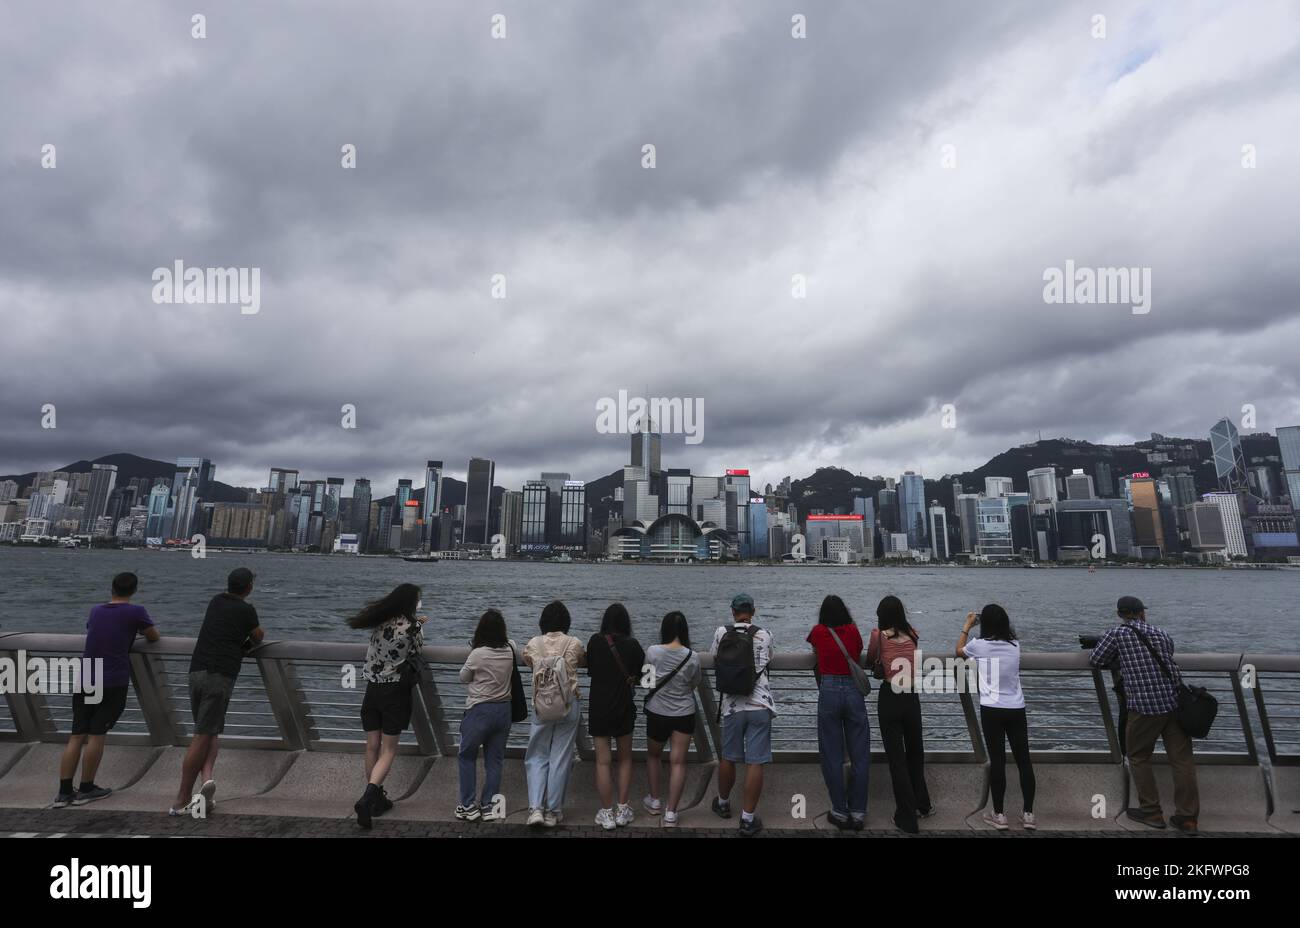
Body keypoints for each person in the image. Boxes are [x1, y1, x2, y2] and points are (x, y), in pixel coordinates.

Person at [1089, 596, 1200, 833]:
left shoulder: (1116, 634)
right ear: (1142, 613)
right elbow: (1168, 652)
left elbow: (1096, 660)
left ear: (1120, 614)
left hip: (1144, 706)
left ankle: (1151, 812)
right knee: (1182, 761)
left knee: (1138, 756)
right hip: (1174, 703)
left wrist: (1120, 658)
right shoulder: (1160, 632)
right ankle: (1188, 817)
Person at [54, 572, 160, 808]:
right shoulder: (136, 612)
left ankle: (63, 792)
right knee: (96, 735)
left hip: (85, 677)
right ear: (133, 590)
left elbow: (94, 629)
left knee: (76, 735)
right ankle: (87, 787)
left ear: (111, 588)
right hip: (112, 680)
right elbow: (153, 636)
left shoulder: (96, 610)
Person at [172, 567, 263, 816]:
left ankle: (206, 785)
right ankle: (180, 800)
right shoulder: (246, 610)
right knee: (202, 734)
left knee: (209, 731)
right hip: (219, 675)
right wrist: (244, 644)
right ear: (248, 588)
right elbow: (258, 636)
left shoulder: (215, 601)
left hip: (196, 671)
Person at [348, 583, 428, 828]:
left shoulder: (379, 621)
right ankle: (369, 796)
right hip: (395, 692)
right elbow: (416, 650)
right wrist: (420, 625)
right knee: (389, 749)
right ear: (411, 603)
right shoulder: (413, 628)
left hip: (372, 689)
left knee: (372, 746)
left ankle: (376, 800)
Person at [957, 604, 1036, 831]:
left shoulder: (979, 645)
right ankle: (1029, 814)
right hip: (1016, 708)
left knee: (998, 761)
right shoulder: (1015, 645)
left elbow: (958, 651)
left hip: (992, 708)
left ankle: (999, 815)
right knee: (1024, 760)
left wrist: (967, 625)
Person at [866, 594, 932, 833]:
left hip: (890, 696)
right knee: (916, 753)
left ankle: (906, 816)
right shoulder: (914, 633)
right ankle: (923, 805)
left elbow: (872, 658)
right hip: (912, 697)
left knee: (897, 759)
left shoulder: (878, 636)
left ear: (882, 616)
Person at [710, 592, 775, 837]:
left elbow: (715, 658)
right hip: (759, 705)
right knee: (755, 761)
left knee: (728, 756)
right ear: (753, 611)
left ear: (733, 611)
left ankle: (723, 803)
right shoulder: (765, 634)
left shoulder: (721, 633)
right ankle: (748, 819)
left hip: (732, 706)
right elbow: (769, 659)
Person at [806, 594, 870, 830]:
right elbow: (859, 650)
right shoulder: (853, 630)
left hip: (829, 690)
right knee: (860, 754)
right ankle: (859, 812)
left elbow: (814, 648)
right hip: (853, 691)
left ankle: (840, 811)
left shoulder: (818, 631)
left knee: (831, 754)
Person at [522, 600, 587, 828]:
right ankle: (553, 811)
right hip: (568, 704)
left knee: (537, 755)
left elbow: (528, 662)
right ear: (566, 622)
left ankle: (535, 809)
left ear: (543, 622)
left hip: (542, 704)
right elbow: (582, 661)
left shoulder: (533, 643)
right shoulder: (574, 642)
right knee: (561, 756)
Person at [586, 602, 645, 829]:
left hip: (599, 707)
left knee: (603, 761)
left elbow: (590, 669)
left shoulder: (595, 641)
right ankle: (622, 809)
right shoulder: (633, 645)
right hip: (623, 706)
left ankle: (606, 813)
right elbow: (643, 677)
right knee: (625, 759)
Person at [456, 609, 517, 822]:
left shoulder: (477, 654)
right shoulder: (510, 649)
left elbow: (463, 678)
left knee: (466, 755)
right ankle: (489, 805)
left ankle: (467, 805)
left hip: (479, 710)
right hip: (503, 711)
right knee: (495, 761)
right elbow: (511, 642)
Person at [642, 610, 701, 828]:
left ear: (664, 629)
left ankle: (655, 801)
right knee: (678, 762)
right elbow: (695, 682)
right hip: (683, 713)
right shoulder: (692, 656)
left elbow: (647, 682)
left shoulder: (653, 651)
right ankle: (671, 813)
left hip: (657, 711)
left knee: (654, 755)